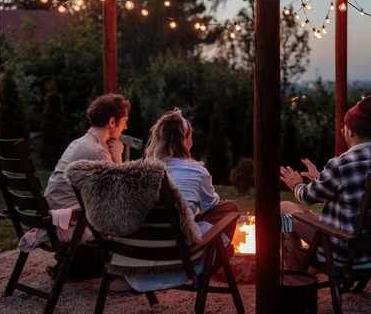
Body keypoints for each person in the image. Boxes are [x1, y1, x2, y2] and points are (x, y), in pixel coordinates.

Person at [124, 108, 240, 292]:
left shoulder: (140, 172)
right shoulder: (196, 171)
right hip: (180, 260)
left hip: (139, 259)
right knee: (230, 208)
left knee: (182, 220)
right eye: (189, 137)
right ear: (185, 140)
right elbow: (211, 205)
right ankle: (206, 266)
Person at [280, 94, 371, 270]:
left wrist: (296, 184)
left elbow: (308, 197)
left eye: (344, 127)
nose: (343, 131)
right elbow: (355, 190)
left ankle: (296, 279)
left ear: (350, 131)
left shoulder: (341, 164)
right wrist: (319, 177)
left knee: (283, 209)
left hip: (347, 255)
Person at [45, 93, 130, 211]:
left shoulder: (80, 142)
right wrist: (116, 155)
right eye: (124, 121)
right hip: (69, 220)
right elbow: (120, 195)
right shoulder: (96, 151)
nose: (125, 127)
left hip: (54, 211)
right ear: (111, 122)